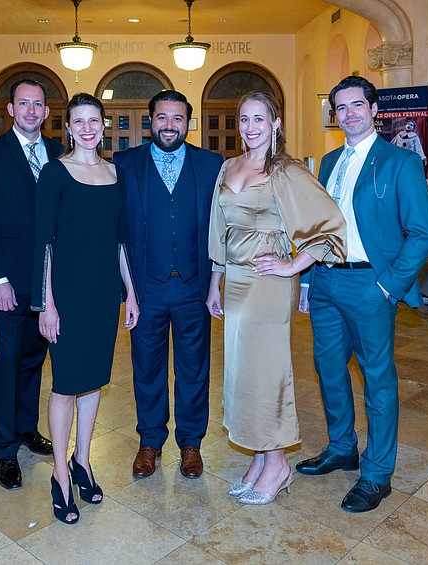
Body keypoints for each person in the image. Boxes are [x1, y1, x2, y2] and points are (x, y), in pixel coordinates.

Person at [296, 76, 428, 513]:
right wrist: (306, 281)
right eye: (341, 108)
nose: (350, 114)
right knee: (328, 369)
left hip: (369, 285)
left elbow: (422, 233)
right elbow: (317, 228)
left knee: (377, 379)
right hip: (326, 283)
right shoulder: (328, 162)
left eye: (358, 105)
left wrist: (387, 286)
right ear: (334, 115)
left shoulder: (399, 162)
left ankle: (377, 474)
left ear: (375, 110)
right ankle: (342, 448)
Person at [206, 91, 346, 505]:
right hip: (234, 280)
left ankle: (278, 463)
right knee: (241, 373)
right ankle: (261, 458)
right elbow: (219, 228)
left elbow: (329, 225)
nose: (251, 127)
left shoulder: (286, 169)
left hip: (268, 284)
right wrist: (215, 280)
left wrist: (294, 265)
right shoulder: (229, 166)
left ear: (275, 124)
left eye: (259, 120)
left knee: (266, 373)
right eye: (244, 119)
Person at [31, 93, 139, 524]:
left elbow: (120, 242)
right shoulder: (54, 173)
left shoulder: (117, 173)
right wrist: (46, 305)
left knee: (93, 381)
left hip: (102, 295)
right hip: (67, 296)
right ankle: (59, 474)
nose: (88, 128)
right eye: (79, 121)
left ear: (103, 124)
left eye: (95, 120)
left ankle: (83, 461)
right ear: (69, 128)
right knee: (65, 384)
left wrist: (130, 293)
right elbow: (44, 244)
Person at [114, 91, 223, 480]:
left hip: (195, 286)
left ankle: (191, 443)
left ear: (188, 123)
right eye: (162, 117)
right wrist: (127, 291)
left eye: (178, 118)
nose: (169, 125)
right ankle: (150, 442)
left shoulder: (212, 165)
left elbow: (222, 228)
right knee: (147, 369)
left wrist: (215, 283)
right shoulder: (124, 165)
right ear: (150, 121)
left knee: (194, 369)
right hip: (146, 289)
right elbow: (118, 233)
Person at [0, 79, 62, 491]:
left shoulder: (61, 154)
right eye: (22, 103)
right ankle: (5, 449)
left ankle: (26, 428)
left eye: (37, 104)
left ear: (46, 112)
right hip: (9, 279)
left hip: (50, 281)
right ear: (10, 110)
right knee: (7, 361)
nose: (30, 110)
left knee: (34, 358)